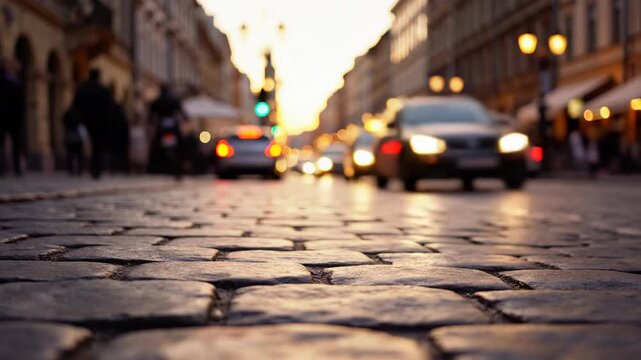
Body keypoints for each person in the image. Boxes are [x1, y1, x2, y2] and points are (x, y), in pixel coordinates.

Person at [72, 68, 114, 179]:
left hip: (85, 122)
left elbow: (75, 105)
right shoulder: (103, 90)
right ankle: (96, 169)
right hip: (99, 123)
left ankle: (80, 167)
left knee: (81, 145)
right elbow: (109, 109)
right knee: (97, 147)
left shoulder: (81, 89)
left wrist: (78, 120)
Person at [148, 85, 185, 177]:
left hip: (162, 124)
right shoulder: (173, 100)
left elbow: (151, 112)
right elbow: (181, 111)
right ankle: (179, 165)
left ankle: (155, 165)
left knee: (156, 143)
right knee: (180, 143)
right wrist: (184, 118)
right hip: (171, 126)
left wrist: (151, 119)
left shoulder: (158, 100)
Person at [0, 59, 26, 176]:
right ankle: (17, 169)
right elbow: (21, 103)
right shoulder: (16, 83)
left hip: (2, 116)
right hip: (14, 118)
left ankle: (2, 168)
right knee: (16, 144)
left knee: (1, 143)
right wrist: (21, 116)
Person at [63, 106, 85, 176]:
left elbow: (63, 121)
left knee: (70, 154)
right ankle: (79, 170)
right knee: (79, 154)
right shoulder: (79, 114)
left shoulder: (67, 113)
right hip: (77, 136)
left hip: (69, 136)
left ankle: (71, 170)